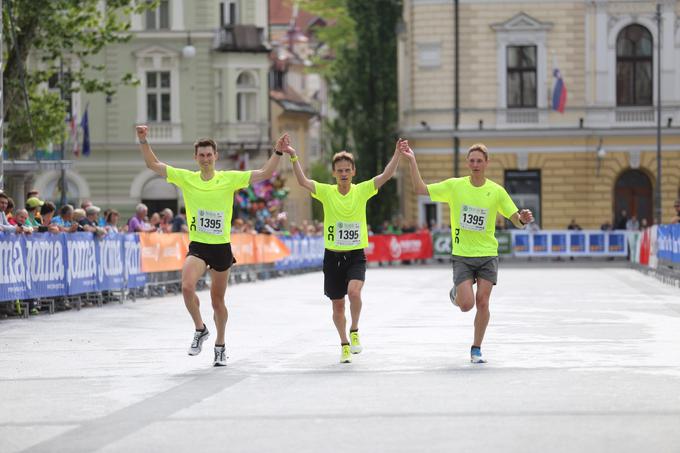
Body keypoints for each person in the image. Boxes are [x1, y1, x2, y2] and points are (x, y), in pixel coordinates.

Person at [136, 124, 285, 366]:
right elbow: (153, 165)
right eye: (201, 155)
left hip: (221, 247)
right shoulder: (187, 178)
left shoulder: (229, 179)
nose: (205, 159)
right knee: (186, 286)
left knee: (217, 301)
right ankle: (200, 328)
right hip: (199, 246)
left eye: (209, 154)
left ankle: (220, 344)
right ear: (195, 158)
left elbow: (264, 173)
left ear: (215, 156)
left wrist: (278, 152)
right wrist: (143, 140)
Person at [401, 141, 533, 364]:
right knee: (466, 305)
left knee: (483, 302)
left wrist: (523, 220)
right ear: (467, 163)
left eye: (479, 161)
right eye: (471, 160)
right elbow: (420, 189)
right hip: (463, 255)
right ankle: (456, 293)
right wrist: (412, 160)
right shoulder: (455, 186)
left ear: (486, 163)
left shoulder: (496, 191)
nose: (475, 164)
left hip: (487, 254)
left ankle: (476, 348)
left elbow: (516, 220)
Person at [280, 132, 403, 363]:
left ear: (353, 172)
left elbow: (386, 175)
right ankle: (344, 344)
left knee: (354, 292)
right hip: (332, 257)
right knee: (338, 306)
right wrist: (294, 157)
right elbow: (303, 182)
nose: (344, 174)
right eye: (340, 171)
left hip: (355, 255)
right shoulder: (326, 192)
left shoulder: (362, 190)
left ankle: (354, 330)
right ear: (334, 174)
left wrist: (397, 153)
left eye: (348, 170)